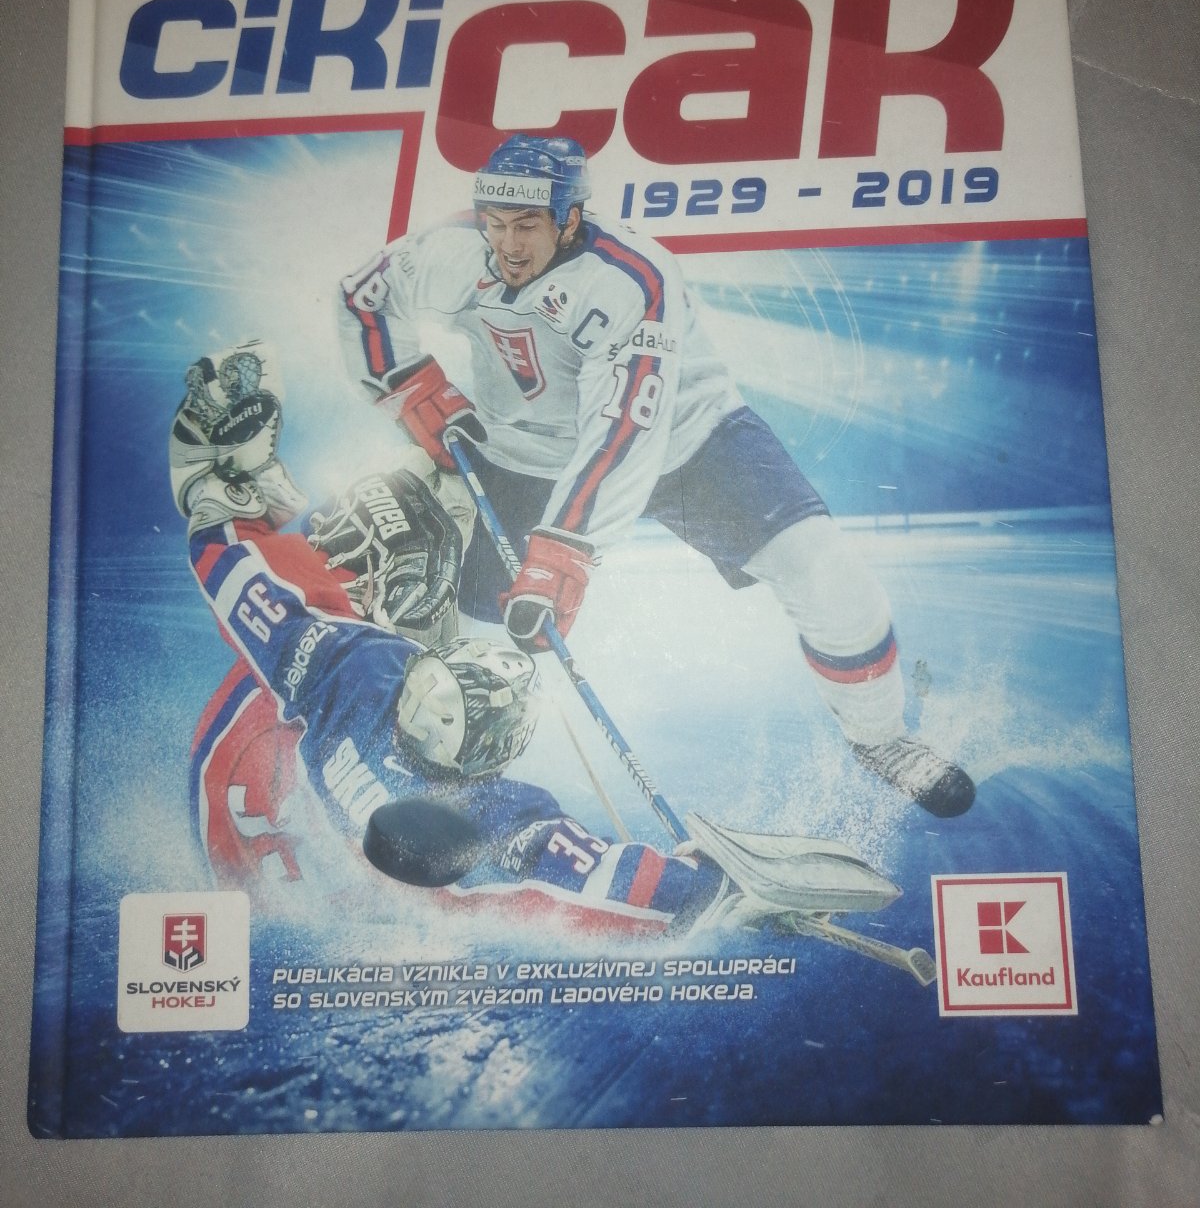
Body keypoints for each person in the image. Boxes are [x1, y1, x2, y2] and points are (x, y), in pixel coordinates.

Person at [338, 135, 974, 818]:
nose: (508, 246)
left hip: (685, 440)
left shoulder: (630, 279)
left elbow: (622, 428)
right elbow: (363, 298)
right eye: (495, 224)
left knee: (827, 575)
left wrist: (563, 554)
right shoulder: (452, 250)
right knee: (463, 628)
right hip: (526, 454)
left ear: (570, 218)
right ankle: (429, 775)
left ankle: (881, 739)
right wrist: (408, 384)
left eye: (527, 225)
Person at [172, 346, 898, 935]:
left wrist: (218, 469)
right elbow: (565, 863)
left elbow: (229, 556)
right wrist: (706, 892)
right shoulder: (416, 756)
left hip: (242, 832)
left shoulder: (330, 658)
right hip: (319, 901)